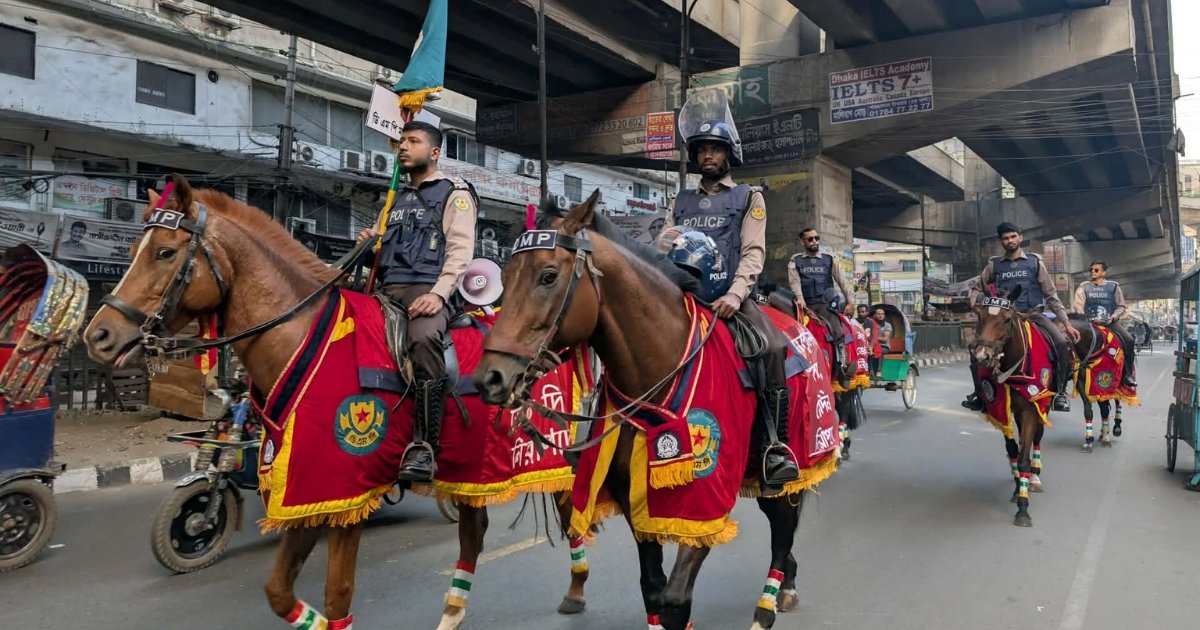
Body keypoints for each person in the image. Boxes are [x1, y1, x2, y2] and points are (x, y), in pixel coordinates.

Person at [663, 117, 800, 487]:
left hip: (730, 299)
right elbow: (663, 245)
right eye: (703, 149)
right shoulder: (681, 200)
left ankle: (774, 446)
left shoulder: (748, 197)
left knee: (771, 348)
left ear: (728, 154)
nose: (708, 155)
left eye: (716, 149)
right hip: (682, 298)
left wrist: (735, 294)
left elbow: (753, 253)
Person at [357, 121, 477, 482]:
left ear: (435, 152)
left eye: (413, 141)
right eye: (401, 142)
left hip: (427, 289)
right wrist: (368, 246)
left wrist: (437, 295)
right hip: (385, 289)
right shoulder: (394, 199)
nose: (403, 148)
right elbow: (381, 255)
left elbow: (460, 253)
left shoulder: (455, 193)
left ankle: (425, 446)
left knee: (423, 339)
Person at [963, 223, 1079, 413]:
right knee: (977, 350)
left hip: (1032, 316)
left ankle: (1059, 393)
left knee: (1060, 343)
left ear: (1020, 238)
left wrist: (1066, 323)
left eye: (1013, 237)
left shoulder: (1035, 263)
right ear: (1002, 241)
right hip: (1003, 319)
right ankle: (980, 395)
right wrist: (976, 306)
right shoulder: (994, 265)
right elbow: (977, 289)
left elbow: (1051, 295)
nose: (1010, 241)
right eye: (1006, 238)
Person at [1073, 260, 1136, 387]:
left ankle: (1128, 374)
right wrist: (1083, 318)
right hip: (1089, 324)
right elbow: (1078, 306)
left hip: (1109, 323)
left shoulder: (1113, 287)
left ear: (1103, 272)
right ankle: (1068, 373)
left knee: (1129, 340)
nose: (1092, 272)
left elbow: (1121, 306)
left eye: (1096, 270)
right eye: (1091, 270)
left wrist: (1113, 318)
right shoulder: (1083, 287)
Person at [788, 227, 854, 339]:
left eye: (816, 238)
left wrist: (851, 302)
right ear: (802, 241)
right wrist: (799, 297)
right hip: (805, 305)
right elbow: (794, 282)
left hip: (825, 305)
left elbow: (842, 281)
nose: (814, 241)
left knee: (837, 332)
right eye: (810, 239)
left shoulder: (829, 258)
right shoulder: (796, 260)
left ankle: (842, 354)